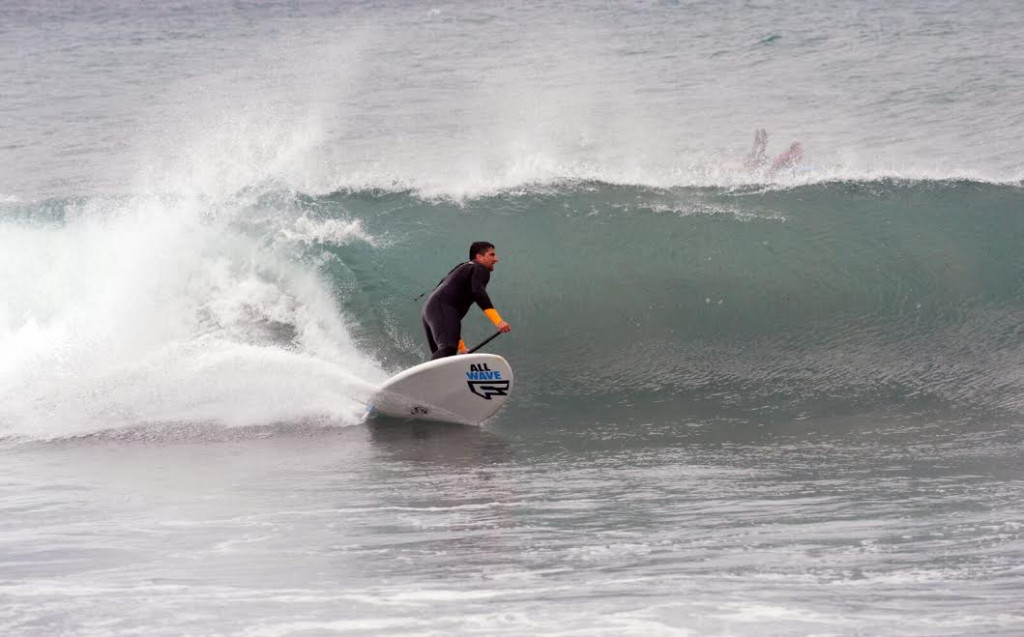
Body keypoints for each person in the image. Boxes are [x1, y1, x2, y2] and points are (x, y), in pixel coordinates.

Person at [421, 241, 512, 360]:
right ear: (479, 256)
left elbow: (449, 319)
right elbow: (479, 293)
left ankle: (426, 377)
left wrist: (462, 348)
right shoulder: (480, 268)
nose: (496, 259)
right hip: (441, 307)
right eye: (492, 255)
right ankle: (427, 378)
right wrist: (498, 321)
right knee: (448, 348)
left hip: (430, 309)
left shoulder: (463, 267)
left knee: (444, 356)